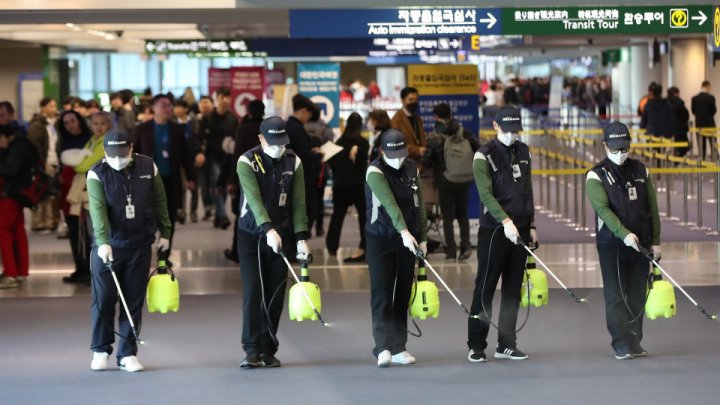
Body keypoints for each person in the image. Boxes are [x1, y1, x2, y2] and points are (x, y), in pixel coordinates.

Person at [86, 129, 171, 372]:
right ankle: (100, 349)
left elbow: (160, 201)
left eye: (122, 155)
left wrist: (165, 232)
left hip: (140, 244)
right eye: (112, 156)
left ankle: (127, 354)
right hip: (108, 246)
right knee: (104, 299)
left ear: (131, 149)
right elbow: (98, 210)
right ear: (105, 153)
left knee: (132, 300)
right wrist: (103, 241)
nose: (117, 160)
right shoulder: (97, 173)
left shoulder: (148, 167)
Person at [235, 116, 310, 369]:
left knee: (276, 294)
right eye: (273, 142)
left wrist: (301, 238)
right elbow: (254, 200)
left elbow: (299, 203)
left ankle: (269, 348)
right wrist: (267, 228)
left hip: (284, 233)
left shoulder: (294, 161)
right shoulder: (247, 161)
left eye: (282, 142)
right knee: (254, 290)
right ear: (261, 138)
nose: (278, 147)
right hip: (251, 235)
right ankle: (251, 349)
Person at [586, 122, 661, 360]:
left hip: (641, 243)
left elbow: (652, 208)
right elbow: (603, 210)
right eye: (615, 148)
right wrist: (623, 233)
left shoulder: (641, 170)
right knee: (616, 294)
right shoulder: (595, 175)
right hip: (612, 243)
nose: (620, 153)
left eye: (624, 147)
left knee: (638, 292)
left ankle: (635, 339)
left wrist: (655, 241)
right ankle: (620, 342)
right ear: (605, 145)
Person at [467, 106, 537, 363]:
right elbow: (486, 195)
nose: (512, 135)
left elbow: (527, 189)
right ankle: (476, 344)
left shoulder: (524, 151)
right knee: (485, 288)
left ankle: (507, 343)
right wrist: (505, 221)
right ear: (496, 127)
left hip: (520, 229)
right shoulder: (483, 156)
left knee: (512, 289)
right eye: (507, 130)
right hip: (494, 230)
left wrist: (531, 225)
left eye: (516, 131)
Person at [365, 129, 428, 367]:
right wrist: (403, 231)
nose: (399, 159)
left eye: (402, 153)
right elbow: (390, 204)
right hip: (381, 238)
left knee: (402, 291)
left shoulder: (412, 168)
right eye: (394, 154)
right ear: (383, 152)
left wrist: (421, 237)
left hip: (409, 238)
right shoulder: (375, 171)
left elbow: (419, 205)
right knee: (382, 292)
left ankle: (399, 346)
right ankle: (382, 347)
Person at [132, 94, 196, 252]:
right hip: (147, 182)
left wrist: (191, 177)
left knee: (169, 218)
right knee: (147, 217)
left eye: (170, 105)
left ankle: (164, 255)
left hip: (170, 180)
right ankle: (144, 252)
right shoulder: (142, 129)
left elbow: (186, 156)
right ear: (153, 107)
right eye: (164, 105)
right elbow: (133, 155)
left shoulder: (176, 130)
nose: (168, 108)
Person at [423, 103, 479, 261]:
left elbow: (427, 160)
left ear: (436, 117)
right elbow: (478, 148)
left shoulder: (435, 136)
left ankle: (451, 250)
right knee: (462, 214)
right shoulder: (463, 132)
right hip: (464, 178)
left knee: (447, 216)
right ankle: (466, 245)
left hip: (445, 179)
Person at [223, 99, 264, 264]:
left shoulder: (244, 129)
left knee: (242, 214)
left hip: (246, 177)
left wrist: (232, 180)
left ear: (248, 111)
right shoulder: (266, 128)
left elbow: (237, 155)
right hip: (265, 177)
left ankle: (237, 251)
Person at [56, 110, 93, 284]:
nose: (70, 125)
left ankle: (91, 269)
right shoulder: (62, 141)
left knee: (88, 230)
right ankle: (79, 267)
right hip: (68, 189)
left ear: (79, 121)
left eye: (73, 121)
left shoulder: (90, 138)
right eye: (66, 123)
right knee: (73, 230)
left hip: (87, 188)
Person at [326, 112, 369, 262]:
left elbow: (331, 163)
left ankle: (332, 247)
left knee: (337, 217)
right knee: (363, 216)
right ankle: (365, 244)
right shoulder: (363, 143)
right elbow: (364, 165)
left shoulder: (339, 142)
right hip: (358, 185)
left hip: (341, 184)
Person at [0, 120, 37, 289]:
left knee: (5, 234)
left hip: (8, 195)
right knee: (17, 232)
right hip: (17, 196)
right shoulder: (22, 144)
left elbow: (7, 170)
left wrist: (2, 150)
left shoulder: (13, 148)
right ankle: (20, 272)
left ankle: (10, 274)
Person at [198, 87, 237, 229]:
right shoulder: (208, 118)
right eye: (222, 97)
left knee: (224, 186)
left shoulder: (233, 119)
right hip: (212, 156)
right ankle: (223, 214)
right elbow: (200, 137)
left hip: (228, 157)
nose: (225, 101)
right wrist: (199, 153)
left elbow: (235, 138)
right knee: (216, 183)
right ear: (217, 99)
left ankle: (219, 217)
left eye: (228, 97)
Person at [286, 94, 322, 232]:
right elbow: (302, 155)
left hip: (295, 177)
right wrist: (317, 154)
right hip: (302, 177)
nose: (309, 117)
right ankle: (299, 243)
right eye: (308, 113)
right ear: (302, 110)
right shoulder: (296, 128)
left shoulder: (290, 126)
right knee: (308, 211)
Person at [27, 97, 60, 233]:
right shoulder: (37, 125)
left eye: (55, 106)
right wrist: (41, 162)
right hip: (44, 162)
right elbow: (34, 145)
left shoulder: (54, 123)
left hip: (55, 161)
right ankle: (41, 222)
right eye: (51, 106)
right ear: (43, 107)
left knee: (53, 192)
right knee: (42, 193)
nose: (54, 109)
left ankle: (51, 221)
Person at [304, 104, 333, 238]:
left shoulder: (302, 128)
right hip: (321, 170)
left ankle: (306, 226)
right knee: (319, 199)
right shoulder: (326, 129)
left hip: (304, 168)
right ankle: (319, 227)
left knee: (304, 199)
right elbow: (330, 148)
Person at [172, 99, 201, 224]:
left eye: (180, 107)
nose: (177, 110)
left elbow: (198, 138)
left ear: (186, 109)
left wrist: (199, 153)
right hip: (178, 158)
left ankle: (193, 212)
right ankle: (181, 212)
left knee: (194, 185)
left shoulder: (193, 121)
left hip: (192, 157)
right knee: (181, 187)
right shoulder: (172, 123)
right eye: (176, 107)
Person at [391, 87, 426, 163]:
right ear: (403, 100)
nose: (414, 102)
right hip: (404, 164)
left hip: (419, 163)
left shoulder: (417, 118)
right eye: (410, 100)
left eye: (416, 100)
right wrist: (417, 150)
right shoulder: (396, 119)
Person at [691, 81, 717, 159]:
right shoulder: (711, 97)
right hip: (710, 124)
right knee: (713, 143)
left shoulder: (694, 98)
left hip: (699, 124)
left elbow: (693, 111)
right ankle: (715, 160)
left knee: (701, 144)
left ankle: (702, 160)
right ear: (707, 87)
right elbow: (714, 110)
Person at [667, 87, 690, 157]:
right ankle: (676, 161)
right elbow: (686, 115)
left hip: (670, 129)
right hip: (680, 129)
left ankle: (675, 160)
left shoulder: (666, 102)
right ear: (675, 93)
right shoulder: (679, 103)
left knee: (678, 147)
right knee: (685, 147)